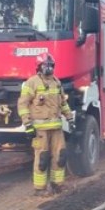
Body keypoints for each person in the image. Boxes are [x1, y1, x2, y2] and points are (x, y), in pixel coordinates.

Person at [17, 53, 74, 194]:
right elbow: (22, 104)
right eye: (45, 65)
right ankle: (40, 188)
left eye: (50, 65)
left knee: (60, 156)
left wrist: (70, 118)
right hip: (40, 130)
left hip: (56, 128)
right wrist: (28, 124)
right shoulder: (32, 82)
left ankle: (57, 185)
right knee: (42, 159)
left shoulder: (56, 82)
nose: (48, 68)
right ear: (39, 66)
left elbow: (63, 103)